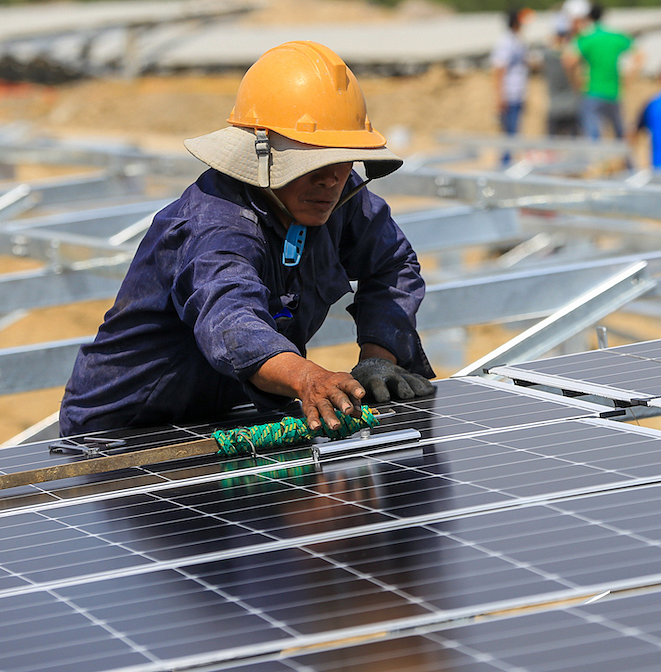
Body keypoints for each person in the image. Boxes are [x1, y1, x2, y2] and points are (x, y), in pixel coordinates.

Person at [59, 41, 435, 437]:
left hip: (229, 417)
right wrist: (305, 377)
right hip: (126, 431)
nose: (330, 179)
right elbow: (232, 320)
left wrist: (378, 357)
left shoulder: (339, 197)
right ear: (263, 154)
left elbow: (392, 263)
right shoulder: (214, 224)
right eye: (312, 162)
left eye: (342, 160)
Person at [567, 3, 638, 140]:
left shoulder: (586, 38)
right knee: (620, 134)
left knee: (593, 136)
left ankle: (596, 161)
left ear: (588, 18)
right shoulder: (615, 36)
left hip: (592, 91)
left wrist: (575, 83)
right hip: (614, 92)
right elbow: (639, 55)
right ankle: (625, 161)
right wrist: (629, 79)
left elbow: (569, 61)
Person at [491, 8, 532, 166]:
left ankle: (507, 164)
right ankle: (504, 167)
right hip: (509, 94)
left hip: (517, 94)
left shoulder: (517, 41)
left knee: (514, 135)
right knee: (509, 136)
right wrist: (500, 96)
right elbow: (499, 70)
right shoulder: (506, 42)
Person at [542, 14, 581, 137]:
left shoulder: (547, 55)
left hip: (554, 108)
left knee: (552, 149)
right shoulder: (574, 55)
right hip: (573, 107)